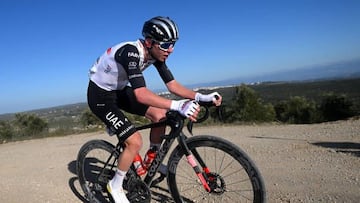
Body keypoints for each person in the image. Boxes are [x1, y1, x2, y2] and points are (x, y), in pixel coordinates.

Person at [87, 16, 222, 203]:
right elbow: (141, 94)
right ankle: (115, 186)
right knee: (134, 141)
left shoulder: (155, 53)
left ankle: (151, 161)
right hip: (100, 97)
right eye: (166, 44)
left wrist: (200, 96)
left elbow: (173, 86)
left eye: (173, 44)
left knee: (160, 115)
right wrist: (178, 105)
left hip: (119, 91)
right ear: (149, 42)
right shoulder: (130, 53)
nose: (171, 50)